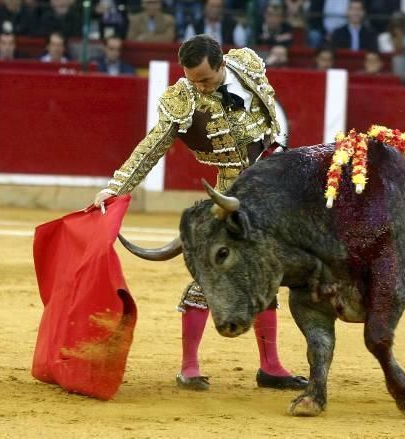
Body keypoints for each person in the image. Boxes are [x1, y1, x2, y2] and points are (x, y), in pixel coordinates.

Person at [92, 34, 308, 392]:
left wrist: (279, 148)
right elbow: (150, 149)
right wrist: (116, 188)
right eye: (192, 80)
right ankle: (189, 367)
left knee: (266, 272)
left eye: (205, 79)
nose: (199, 87)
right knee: (211, 275)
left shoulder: (248, 65)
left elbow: (272, 113)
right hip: (229, 192)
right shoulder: (183, 99)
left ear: (222, 64)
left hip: (271, 189)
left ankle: (271, 366)